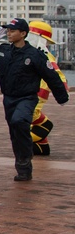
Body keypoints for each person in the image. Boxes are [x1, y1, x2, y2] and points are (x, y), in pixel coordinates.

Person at [0, 18, 69, 182]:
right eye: (7, 31)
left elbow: (51, 76)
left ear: (23, 34)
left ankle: (25, 159)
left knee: (19, 120)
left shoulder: (35, 54)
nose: (9, 34)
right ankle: (23, 168)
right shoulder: (4, 51)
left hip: (27, 97)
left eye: (12, 31)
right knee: (14, 131)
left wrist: (61, 97)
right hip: (9, 98)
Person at [25, 21, 68, 155]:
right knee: (39, 122)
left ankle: (31, 144)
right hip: (33, 94)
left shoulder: (37, 54)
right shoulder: (38, 54)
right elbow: (58, 75)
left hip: (32, 94)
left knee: (34, 120)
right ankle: (32, 145)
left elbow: (58, 74)